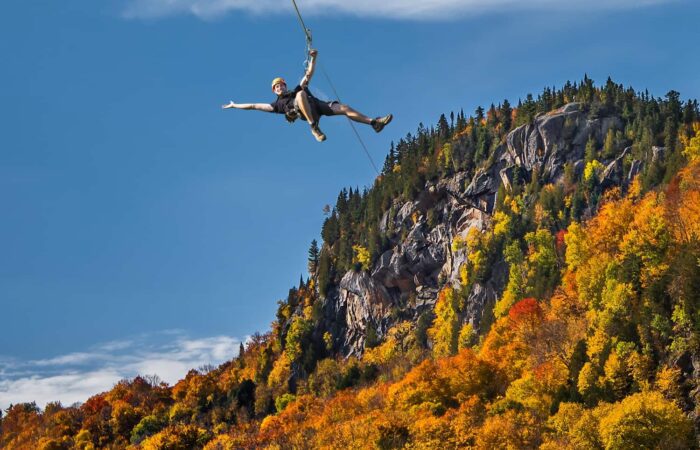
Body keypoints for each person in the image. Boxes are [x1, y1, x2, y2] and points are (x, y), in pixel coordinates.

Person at [222, 49, 392, 142]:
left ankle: (374, 123)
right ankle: (314, 127)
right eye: (276, 87)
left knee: (344, 108)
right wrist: (234, 105)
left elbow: (309, 73)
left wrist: (314, 58)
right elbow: (253, 106)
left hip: (317, 106)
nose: (280, 87)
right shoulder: (276, 105)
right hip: (305, 113)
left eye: (281, 84)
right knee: (301, 94)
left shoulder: (296, 88)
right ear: (274, 91)